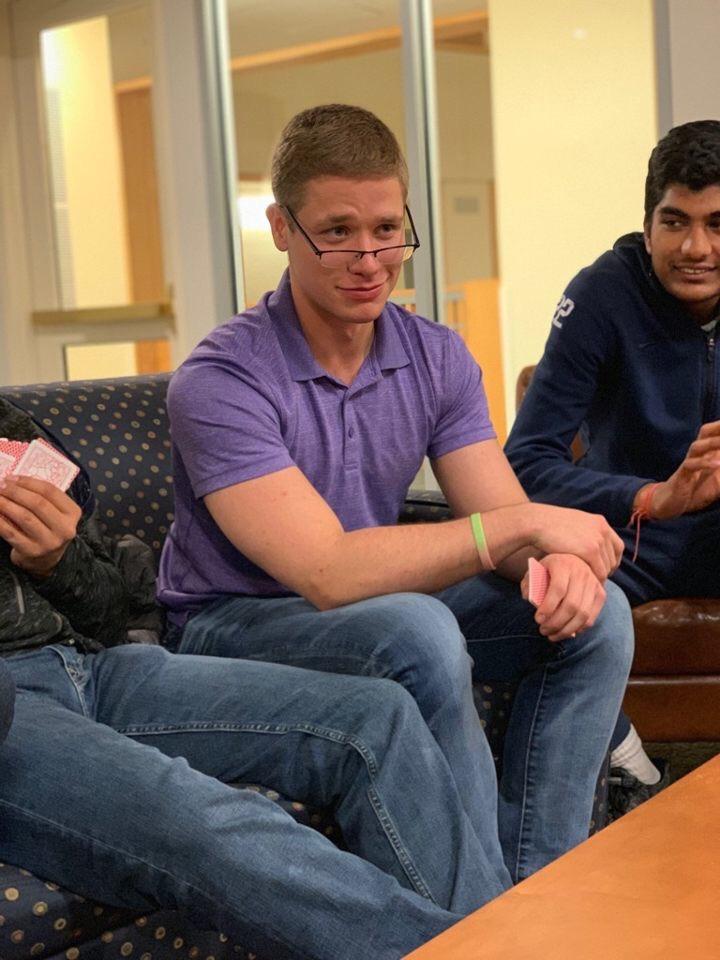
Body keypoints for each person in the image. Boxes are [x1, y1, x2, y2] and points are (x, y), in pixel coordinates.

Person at [159, 102, 634, 880]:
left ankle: (545, 885)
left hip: (378, 607)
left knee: (600, 616)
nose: (370, 258)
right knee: (417, 631)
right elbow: (328, 573)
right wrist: (526, 527)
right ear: (282, 228)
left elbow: (497, 513)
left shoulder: (435, 355)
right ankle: (484, 914)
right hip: (235, 623)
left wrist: (557, 566)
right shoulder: (221, 379)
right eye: (338, 231)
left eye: (387, 229)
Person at [0, 397, 549, 960]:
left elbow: (111, 613)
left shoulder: (9, 423)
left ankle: (497, 942)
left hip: (87, 665)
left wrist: (57, 562)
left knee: (375, 715)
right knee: (203, 817)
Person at [505, 119, 720, 811]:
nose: (696, 247)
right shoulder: (603, 292)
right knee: (514, 592)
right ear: (648, 222)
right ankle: (628, 766)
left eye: (718, 224)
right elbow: (525, 462)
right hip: (635, 531)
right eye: (675, 222)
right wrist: (654, 494)